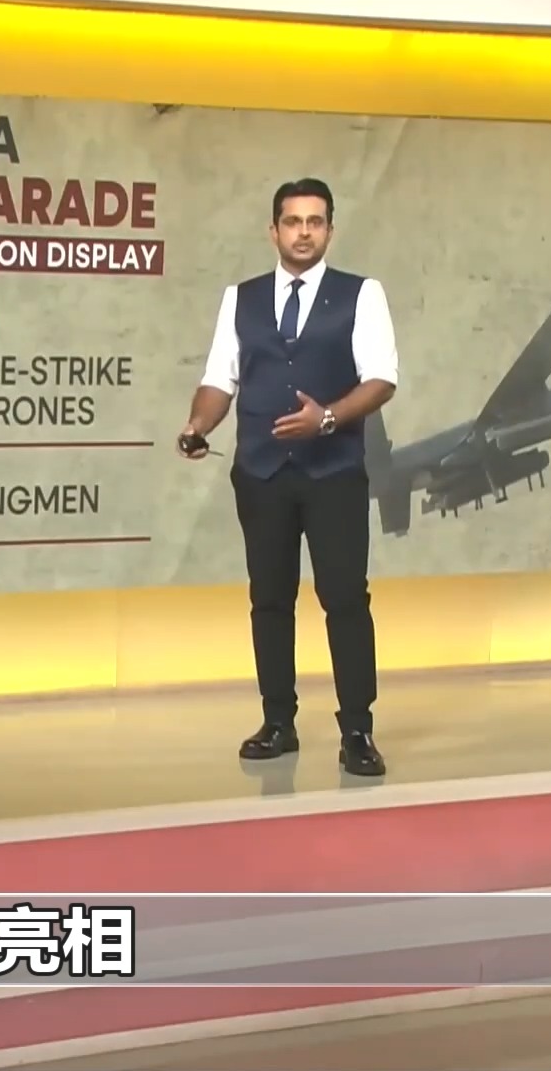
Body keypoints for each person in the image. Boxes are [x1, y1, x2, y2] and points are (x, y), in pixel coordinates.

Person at [176, 178, 399, 777]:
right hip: (262, 473)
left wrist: (327, 418)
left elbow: (381, 378)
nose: (304, 232)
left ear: (330, 230)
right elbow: (219, 378)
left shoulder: (362, 294)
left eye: (315, 222)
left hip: (334, 474)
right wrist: (198, 424)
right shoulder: (240, 299)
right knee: (270, 600)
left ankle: (357, 731)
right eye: (293, 222)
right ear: (273, 231)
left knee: (345, 600)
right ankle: (278, 721)